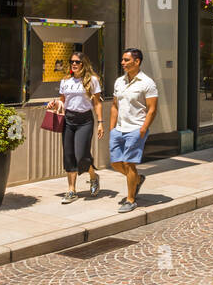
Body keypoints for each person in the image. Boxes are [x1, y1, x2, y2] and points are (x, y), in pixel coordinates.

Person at [50, 51, 103, 204]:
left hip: (85, 120)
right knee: (69, 155)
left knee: (82, 155)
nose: (74, 64)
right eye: (71, 61)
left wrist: (100, 122)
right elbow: (62, 102)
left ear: (83, 64)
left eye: (77, 62)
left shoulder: (92, 80)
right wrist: (55, 104)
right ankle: (72, 190)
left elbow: (97, 103)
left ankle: (93, 177)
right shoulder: (65, 81)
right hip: (68, 120)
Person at [110, 47, 158, 213]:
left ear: (137, 62)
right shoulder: (119, 81)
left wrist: (143, 128)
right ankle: (137, 179)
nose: (122, 63)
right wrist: (112, 128)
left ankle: (130, 200)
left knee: (128, 164)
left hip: (136, 128)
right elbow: (115, 105)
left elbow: (152, 109)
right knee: (115, 163)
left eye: (126, 60)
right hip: (119, 129)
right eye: (122, 60)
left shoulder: (147, 83)